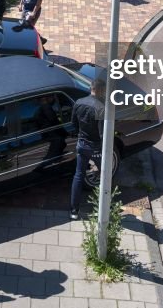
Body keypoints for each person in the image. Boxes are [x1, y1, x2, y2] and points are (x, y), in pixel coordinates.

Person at [69, 78, 105, 220]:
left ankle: (74, 211)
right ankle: (101, 207)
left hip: (82, 144)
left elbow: (73, 124)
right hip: (95, 147)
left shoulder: (79, 103)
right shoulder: (101, 108)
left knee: (78, 176)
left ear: (91, 88)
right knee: (103, 176)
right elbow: (103, 134)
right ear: (101, 90)